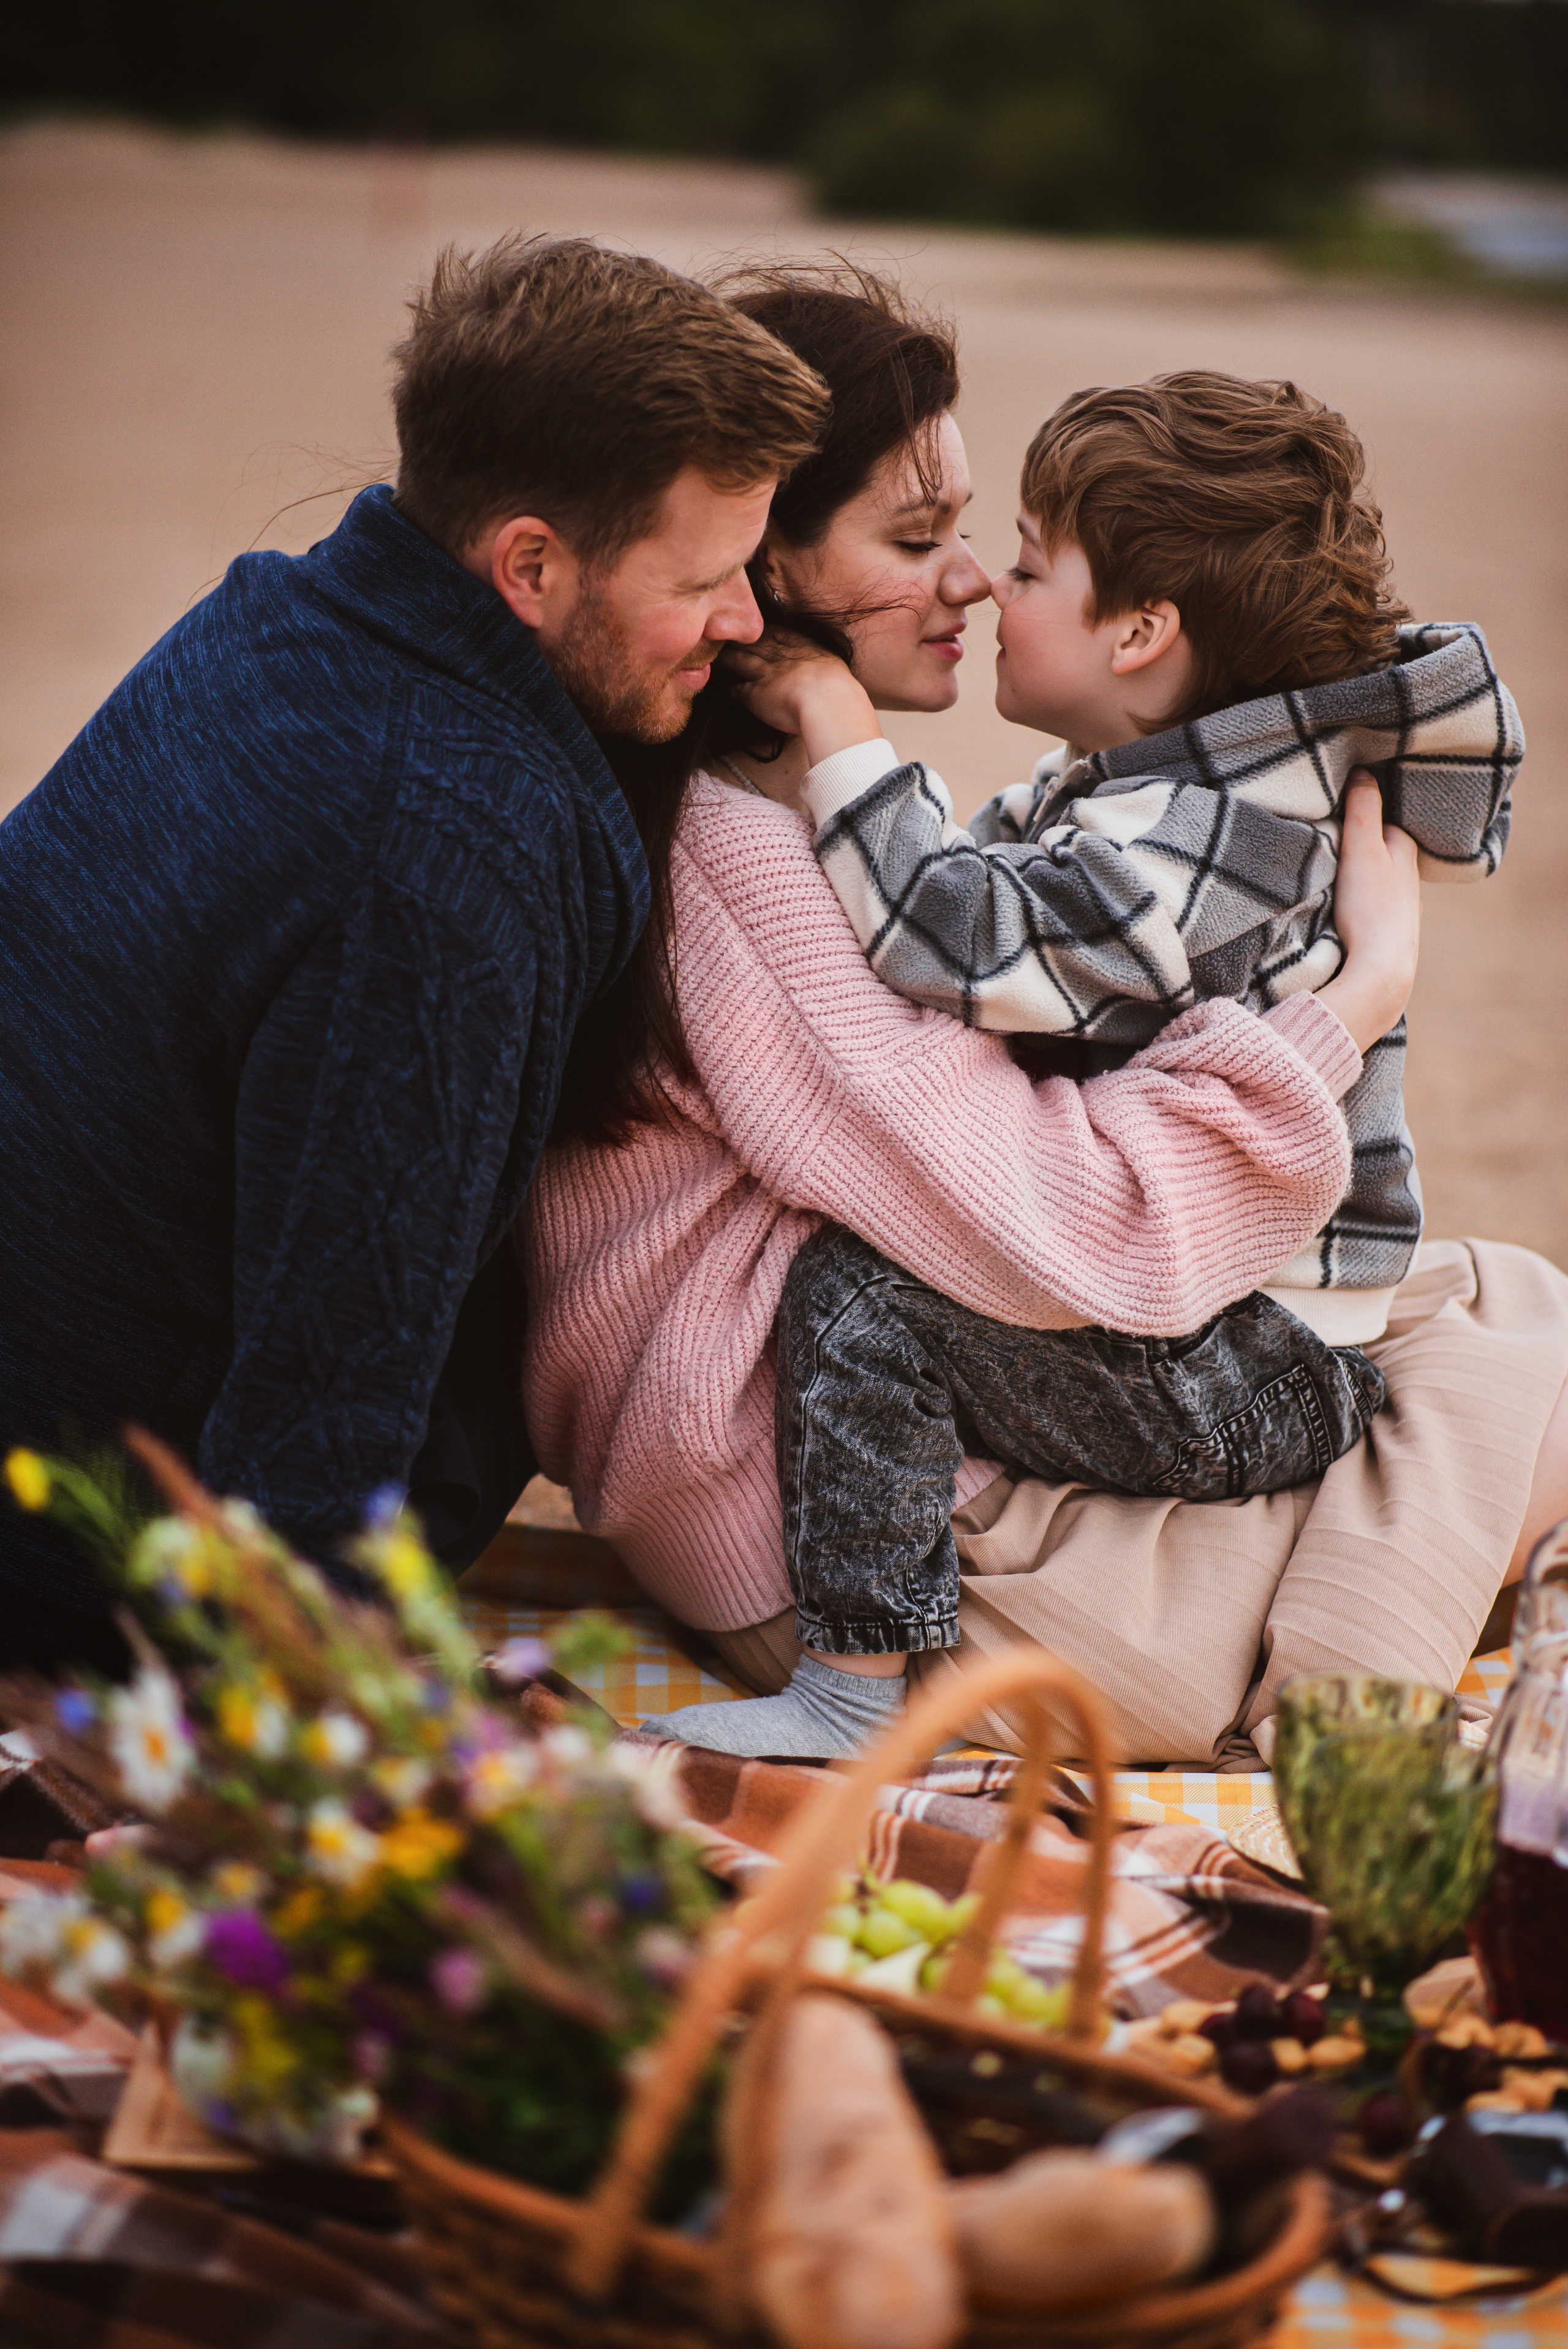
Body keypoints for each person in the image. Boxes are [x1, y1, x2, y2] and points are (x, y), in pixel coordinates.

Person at [522, 270, 1567, 1768]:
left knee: (1478, 1307)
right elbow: (1078, 1226)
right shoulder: (749, 872)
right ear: (762, 576)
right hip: (847, 1533)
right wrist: (1357, 997)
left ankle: (1347, 1654)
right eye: (915, 539)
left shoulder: (774, 814)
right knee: (1495, 1355)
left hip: (863, 1429)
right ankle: (1336, 1701)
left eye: (989, 549)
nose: (967, 587)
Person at [0, 234, 828, 1674]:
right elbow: (327, 1398)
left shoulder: (273, 613)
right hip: (79, 1563)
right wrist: (312, 1749)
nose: (746, 622)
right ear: (527, 564)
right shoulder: (443, 853)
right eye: (706, 579)